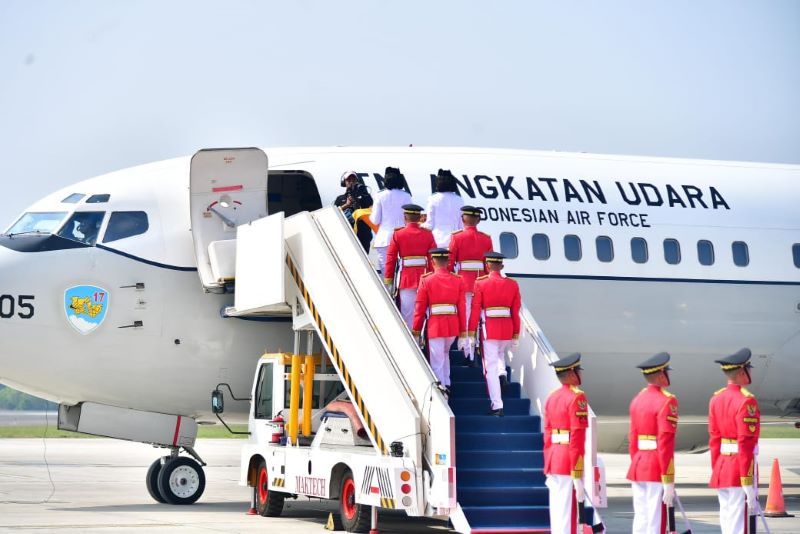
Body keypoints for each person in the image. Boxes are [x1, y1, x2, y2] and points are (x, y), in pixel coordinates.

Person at [708, 348, 760, 534]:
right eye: (749, 369)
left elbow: (714, 439)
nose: (751, 372)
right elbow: (745, 443)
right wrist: (747, 482)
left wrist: (717, 469)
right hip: (739, 467)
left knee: (727, 517)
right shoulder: (747, 401)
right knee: (739, 521)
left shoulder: (716, 399)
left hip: (722, 466)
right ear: (741, 372)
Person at [627, 352, 679, 534]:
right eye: (667, 372)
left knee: (641, 516)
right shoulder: (667, 401)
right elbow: (665, 444)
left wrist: (636, 461)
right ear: (660, 375)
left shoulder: (637, 400)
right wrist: (668, 479)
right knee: (656, 520)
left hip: (638, 464)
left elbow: (632, 439)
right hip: (656, 465)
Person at [467, 252, 520, 415]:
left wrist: (470, 331)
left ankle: (497, 405)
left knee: (489, 368)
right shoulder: (512, 284)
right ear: (501, 266)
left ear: (487, 266)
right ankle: (502, 374)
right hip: (507, 328)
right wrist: (516, 333)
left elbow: (476, 309)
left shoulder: (480, 283)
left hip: (489, 329)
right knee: (499, 354)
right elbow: (515, 310)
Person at [543, 352, 589, 534]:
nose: (581, 374)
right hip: (568, 460)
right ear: (572, 374)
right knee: (568, 513)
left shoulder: (552, 397)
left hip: (554, 457)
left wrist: (548, 463)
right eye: (579, 371)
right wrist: (577, 473)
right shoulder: (577, 397)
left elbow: (547, 433)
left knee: (558, 511)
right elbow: (577, 436)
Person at [411, 248, 467, 395]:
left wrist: (416, 330)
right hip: (452, 326)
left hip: (435, 326)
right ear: (448, 262)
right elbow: (462, 308)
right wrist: (463, 332)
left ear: (432, 261)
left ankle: (441, 389)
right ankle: (447, 383)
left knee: (437, 360)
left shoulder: (426, 279)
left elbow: (420, 308)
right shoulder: (458, 280)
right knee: (445, 353)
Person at [448, 206, 493, 365]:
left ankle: (468, 353)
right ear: (478, 220)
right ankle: (474, 352)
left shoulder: (457, 237)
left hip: (464, 283)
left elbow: (450, 262)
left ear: (463, 219)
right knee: (478, 319)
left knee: (466, 318)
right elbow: (490, 264)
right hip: (481, 282)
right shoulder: (486, 238)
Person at [383, 204, 437, 328]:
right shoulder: (428, 234)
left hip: (406, 278)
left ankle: (411, 342)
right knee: (424, 311)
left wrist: (388, 280)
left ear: (405, 217)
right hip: (425, 277)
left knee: (407, 313)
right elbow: (433, 259)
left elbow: (391, 259)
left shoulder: (398, 234)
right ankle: (420, 341)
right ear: (419, 217)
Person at [369, 167, 411, 273]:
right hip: (402, 237)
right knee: (402, 270)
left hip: (384, 238)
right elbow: (409, 219)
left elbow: (375, 220)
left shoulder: (379, 195)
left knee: (386, 272)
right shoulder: (406, 196)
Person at [333, 171, 373, 253]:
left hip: (363, 234)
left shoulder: (364, 196)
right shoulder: (340, 199)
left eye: (353, 180)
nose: (351, 182)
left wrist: (362, 195)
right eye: (348, 180)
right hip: (347, 234)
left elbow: (371, 207)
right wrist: (347, 204)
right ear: (344, 182)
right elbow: (334, 214)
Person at [423, 169, 463, 247]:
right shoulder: (459, 200)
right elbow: (461, 226)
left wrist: (417, 225)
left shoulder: (432, 198)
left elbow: (429, 225)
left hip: (437, 241)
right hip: (454, 242)